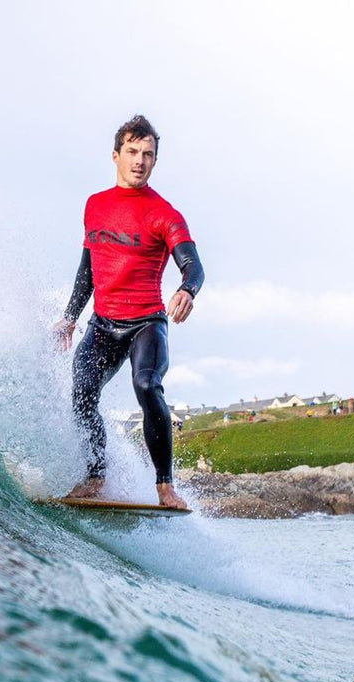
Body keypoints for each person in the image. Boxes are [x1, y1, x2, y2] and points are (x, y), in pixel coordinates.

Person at [52, 115, 205, 509]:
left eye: (148, 154)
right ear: (116, 155)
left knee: (147, 385)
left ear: (155, 161)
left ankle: (165, 487)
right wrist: (70, 316)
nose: (140, 160)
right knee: (83, 390)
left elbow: (193, 264)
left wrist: (188, 289)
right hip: (102, 324)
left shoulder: (164, 213)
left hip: (146, 325)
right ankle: (95, 476)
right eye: (133, 152)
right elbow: (89, 267)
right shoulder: (95, 205)